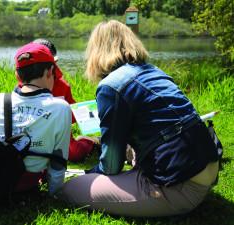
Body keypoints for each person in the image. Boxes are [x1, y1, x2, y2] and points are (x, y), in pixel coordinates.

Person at [61, 20, 220, 217]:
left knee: (71, 188)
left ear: (96, 52)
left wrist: (92, 173)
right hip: (205, 168)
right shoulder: (154, 71)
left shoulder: (111, 86)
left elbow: (110, 165)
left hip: (179, 186)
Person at [0, 42, 72, 196]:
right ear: (50, 71)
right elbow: (58, 161)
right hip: (27, 183)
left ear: (17, 75)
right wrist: (55, 193)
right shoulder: (61, 108)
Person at [19, 38, 99, 162]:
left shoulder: (62, 86)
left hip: (60, 136)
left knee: (73, 153)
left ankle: (92, 142)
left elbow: (72, 115)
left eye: (52, 64)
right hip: (34, 136)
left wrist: (89, 114)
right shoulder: (23, 89)